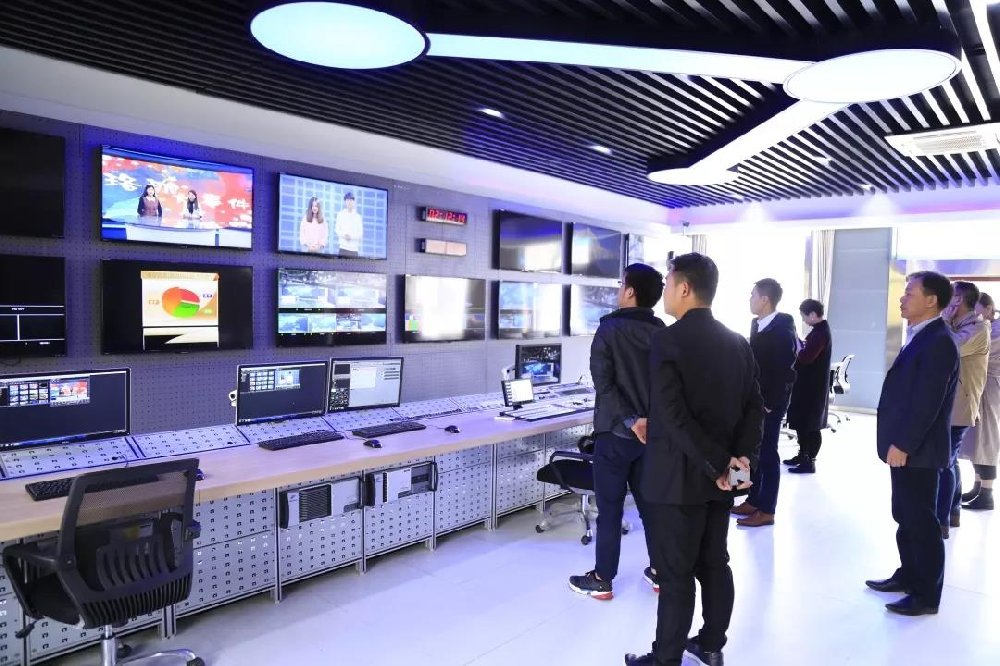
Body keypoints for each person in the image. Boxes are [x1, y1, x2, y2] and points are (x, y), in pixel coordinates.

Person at [625, 253, 763, 666]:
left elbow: (675, 416)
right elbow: (754, 410)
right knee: (715, 563)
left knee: (676, 574)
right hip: (721, 480)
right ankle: (711, 645)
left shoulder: (668, 340)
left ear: (684, 288)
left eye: (668, 284)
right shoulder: (737, 342)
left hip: (677, 481)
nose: (664, 292)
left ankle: (665, 659)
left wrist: (718, 463)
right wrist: (736, 464)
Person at [568, 263, 666, 601]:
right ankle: (661, 572)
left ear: (630, 291)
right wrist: (647, 422)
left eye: (622, 284)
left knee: (609, 510)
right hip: (651, 437)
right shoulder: (662, 331)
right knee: (650, 507)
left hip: (615, 435)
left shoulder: (609, 330)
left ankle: (602, 579)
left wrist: (631, 420)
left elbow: (604, 384)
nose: (619, 289)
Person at [866, 271, 958, 617]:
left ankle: (926, 594)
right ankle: (908, 574)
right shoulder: (922, 335)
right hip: (908, 447)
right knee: (904, 514)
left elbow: (927, 402)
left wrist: (903, 444)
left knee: (921, 521)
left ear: (931, 300)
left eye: (909, 293)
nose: (902, 299)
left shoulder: (939, 341)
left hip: (919, 450)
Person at [732, 278, 797, 527]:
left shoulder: (782, 331)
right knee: (750, 448)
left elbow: (786, 373)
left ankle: (767, 509)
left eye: (753, 295)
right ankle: (752, 498)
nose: (750, 299)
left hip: (769, 403)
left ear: (765, 300)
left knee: (767, 454)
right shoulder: (757, 324)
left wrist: (770, 403)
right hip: (753, 399)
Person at [937, 281, 989, 537]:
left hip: (961, 405)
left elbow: (949, 347)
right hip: (953, 403)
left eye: (950, 297)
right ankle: (953, 510)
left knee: (944, 461)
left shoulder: (979, 328)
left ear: (959, 299)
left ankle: (942, 519)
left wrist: (943, 320)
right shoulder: (961, 325)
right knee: (950, 459)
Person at [784, 299, 833, 474]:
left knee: (811, 426)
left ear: (812, 314)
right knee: (803, 424)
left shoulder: (821, 333)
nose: (803, 320)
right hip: (807, 386)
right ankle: (802, 455)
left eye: (804, 316)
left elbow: (806, 357)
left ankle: (809, 461)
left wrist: (797, 346)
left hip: (813, 388)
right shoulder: (818, 331)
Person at [961, 292, 1000, 511]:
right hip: (981, 384)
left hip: (991, 386)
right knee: (977, 438)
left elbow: (974, 346)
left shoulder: (993, 330)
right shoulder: (986, 327)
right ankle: (977, 487)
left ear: (988, 309)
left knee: (986, 437)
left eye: (975, 309)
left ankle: (986, 493)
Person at [335, 192, 363, 258]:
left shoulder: (358, 217)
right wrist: (344, 235)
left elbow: (360, 233)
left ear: (354, 202)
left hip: (354, 249)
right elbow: (337, 229)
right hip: (343, 248)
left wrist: (351, 237)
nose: (349, 202)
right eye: (347, 200)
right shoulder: (340, 214)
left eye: (351, 200)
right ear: (345, 202)